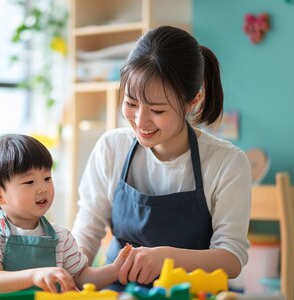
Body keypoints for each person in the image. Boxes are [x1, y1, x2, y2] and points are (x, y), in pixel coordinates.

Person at [72, 25, 252, 291]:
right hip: (119, 289)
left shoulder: (227, 163)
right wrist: (69, 272)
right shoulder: (112, 148)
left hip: (192, 291)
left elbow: (232, 257)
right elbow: (87, 231)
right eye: (131, 103)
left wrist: (166, 257)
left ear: (193, 100)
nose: (140, 121)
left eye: (157, 109)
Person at [0, 134, 131, 293]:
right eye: (29, 182)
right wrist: (34, 276)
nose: (43, 188)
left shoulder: (62, 237)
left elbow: (81, 278)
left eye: (47, 178)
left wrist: (114, 271)